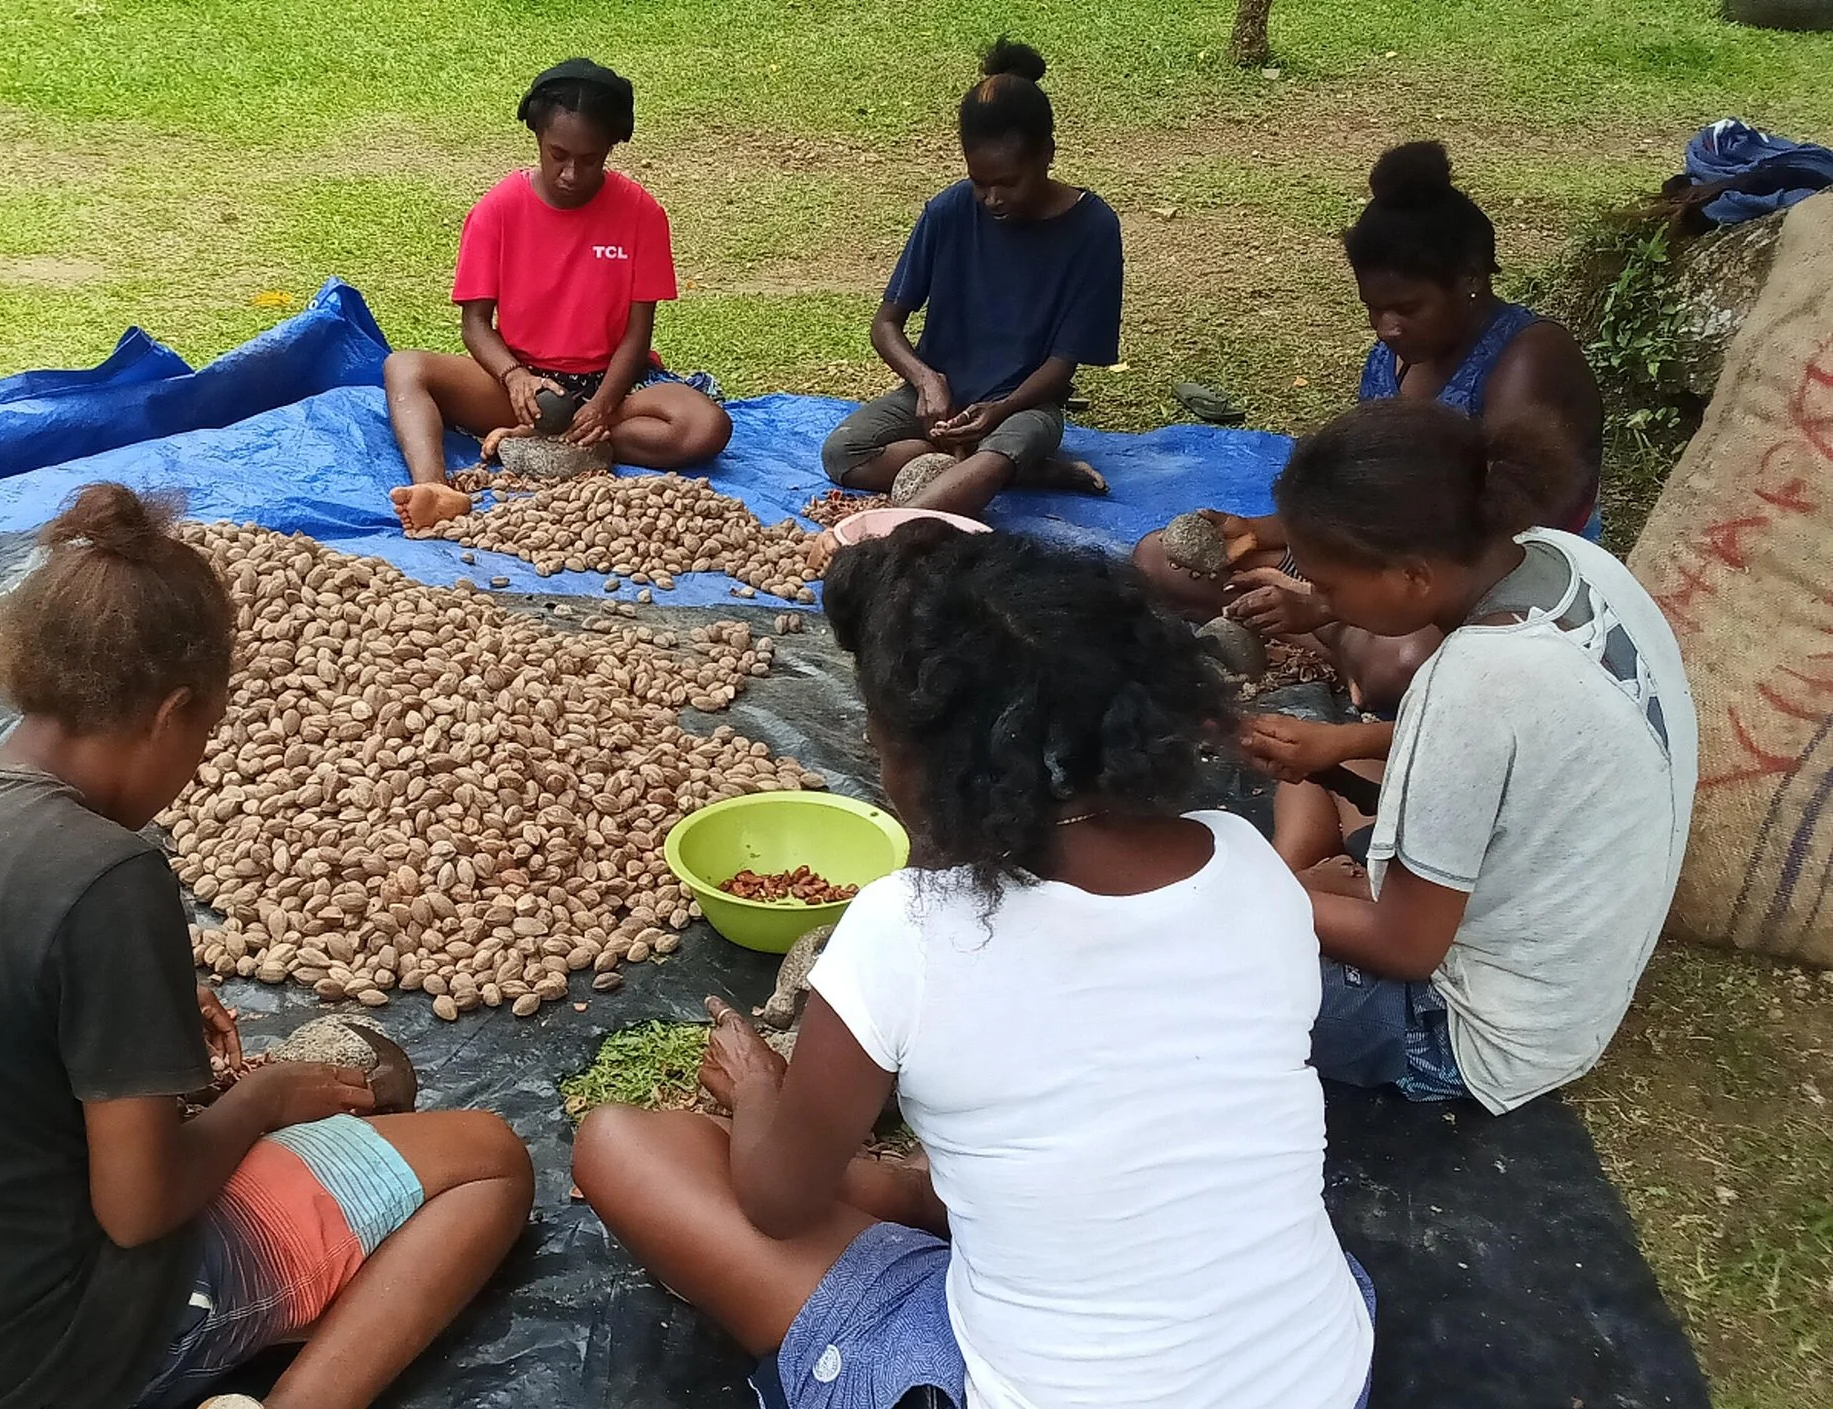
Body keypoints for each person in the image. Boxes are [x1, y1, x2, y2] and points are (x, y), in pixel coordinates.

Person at [575, 524, 1374, 1409]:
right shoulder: (1247, 862)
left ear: (929, 762)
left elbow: (776, 1204)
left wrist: (763, 1085)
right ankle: (921, 1206)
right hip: (1314, 1372)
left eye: (880, 743)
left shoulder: (906, 926)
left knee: (625, 1145)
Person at [0, 483, 533, 1409]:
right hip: (37, 1358)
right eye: (205, 734)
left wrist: (147, 1005)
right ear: (173, 711)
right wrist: (264, 1096)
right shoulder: (108, 872)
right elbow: (137, 1208)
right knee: (488, 1154)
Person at [1264, 400, 1693, 1112]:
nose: (1317, 597)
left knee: (1190, 967)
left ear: (1412, 576)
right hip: (1570, 966)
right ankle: (1316, 870)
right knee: (1324, 751)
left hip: (1474, 1030)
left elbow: (1405, 949)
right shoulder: (1569, 560)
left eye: (1328, 584)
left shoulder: (1471, 680)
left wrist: (1255, 898)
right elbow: (1509, 747)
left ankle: (1295, 873)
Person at [1136, 140, 1606, 712]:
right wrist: (1258, 532)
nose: (1387, 328)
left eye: (1408, 308)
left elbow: (1492, 539)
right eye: (1373, 309)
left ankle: (1323, 639)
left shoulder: (1527, 358)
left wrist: (1327, 603)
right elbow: (1368, 495)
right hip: (1381, 570)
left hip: (1478, 582)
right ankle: (1328, 638)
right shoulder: (1396, 356)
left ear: (1469, 280)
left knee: (1400, 666)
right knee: (1161, 557)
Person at [385, 58, 731, 530]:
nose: (571, 173)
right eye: (558, 155)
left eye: (589, 160)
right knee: (403, 367)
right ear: (537, 139)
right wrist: (515, 378)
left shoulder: (642, 214)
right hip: (521, 385)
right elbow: (474, 325)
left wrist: (602, 406)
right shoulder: (497, 211)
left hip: (613, 387)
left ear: (611, 148)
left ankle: (558, 439)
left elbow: (636, 333)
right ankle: (437, 488)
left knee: (706, 427)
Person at [817, 40, 1122, 518]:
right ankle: (1007, 472)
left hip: (1023, 407)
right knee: (843, 453)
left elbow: (1062, 365)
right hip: (938, 403)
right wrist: (925, 380)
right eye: (980, 182)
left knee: (1011, 443)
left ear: (1047, 154)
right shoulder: (949, 211)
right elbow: (886, 324)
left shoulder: (1094, 230)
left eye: (1007, 182)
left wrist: (996, 411)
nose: (992, 199)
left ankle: (900, 525)